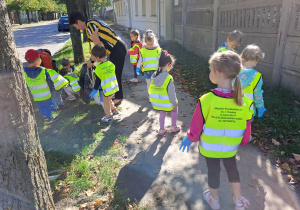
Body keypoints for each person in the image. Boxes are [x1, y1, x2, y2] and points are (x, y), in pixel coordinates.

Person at [179, 51, 252, 210]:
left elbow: (196, 127)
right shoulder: (243, 101)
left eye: (210, 70)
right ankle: (238, 201)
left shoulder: (206, 100)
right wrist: (243, 142)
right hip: (231, 148)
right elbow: (247, 129)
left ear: (217, 73)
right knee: (233, 171)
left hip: (209, 148)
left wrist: (190, 138)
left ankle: (214, 200)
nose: (210, 73)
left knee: (213, 172)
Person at [69, 11, 127, 105]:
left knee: (116, 74)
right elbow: (98, 48)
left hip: (117, 48)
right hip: (115, 49)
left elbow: (98, 48)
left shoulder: (90, 26)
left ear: (79, 21)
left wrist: (91, 61)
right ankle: (116, 95)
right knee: (114, 73)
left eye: (76, 26)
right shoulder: (91, 24)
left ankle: (118, 97)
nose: (77, 28)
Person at [149, 50, 181, 136]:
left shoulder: (154, 75)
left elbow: (150, 89)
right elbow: (171, 93)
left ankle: (161, 129)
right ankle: (173, 127)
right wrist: (174, 103)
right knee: (174, 110)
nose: (171, 68)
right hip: (167, 102)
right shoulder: (168, 78)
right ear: (168, 65)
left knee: (162, 112)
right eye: (171, 66)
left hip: (158, 102)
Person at [23, 49, 57, 123]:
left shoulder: (24, 72)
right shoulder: (43, 70)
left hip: (36, 95)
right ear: (36, 60)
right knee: (48, 106)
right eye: (40, 58)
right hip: (46, 94)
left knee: (41, 106)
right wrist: (52, 89)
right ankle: (49, 118)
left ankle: (44, 117)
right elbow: (49, 81)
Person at [88, 44, 119, 123]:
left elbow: (98, 81)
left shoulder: (98, 68)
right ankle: (114, 109)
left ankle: (108, 116)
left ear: (97, 58)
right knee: (109, 99)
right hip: (113, 87)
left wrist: (94, 90)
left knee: (105, 103)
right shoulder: (111, 64)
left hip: (104, 90)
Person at [239, 44, 265, 120]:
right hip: (248, 109)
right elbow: (258, 94)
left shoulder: (234, 71)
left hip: (231, 106)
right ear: (257, 60)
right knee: (246, 129)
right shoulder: (257, 76)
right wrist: (260, 106)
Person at [136, 30, 161, 98]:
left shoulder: (157, 50)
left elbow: (159, 59)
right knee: (149, 83)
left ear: (154, 42)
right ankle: (150, 96)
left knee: (155, 83)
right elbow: (140, 59)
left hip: (155, 70)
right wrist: (138, 67)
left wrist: (161, 68)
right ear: (145, 42)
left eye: (151, 44)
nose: (150, 46)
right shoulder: (143, 50)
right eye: (148, 44)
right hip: (147, 70)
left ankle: (154, 95)